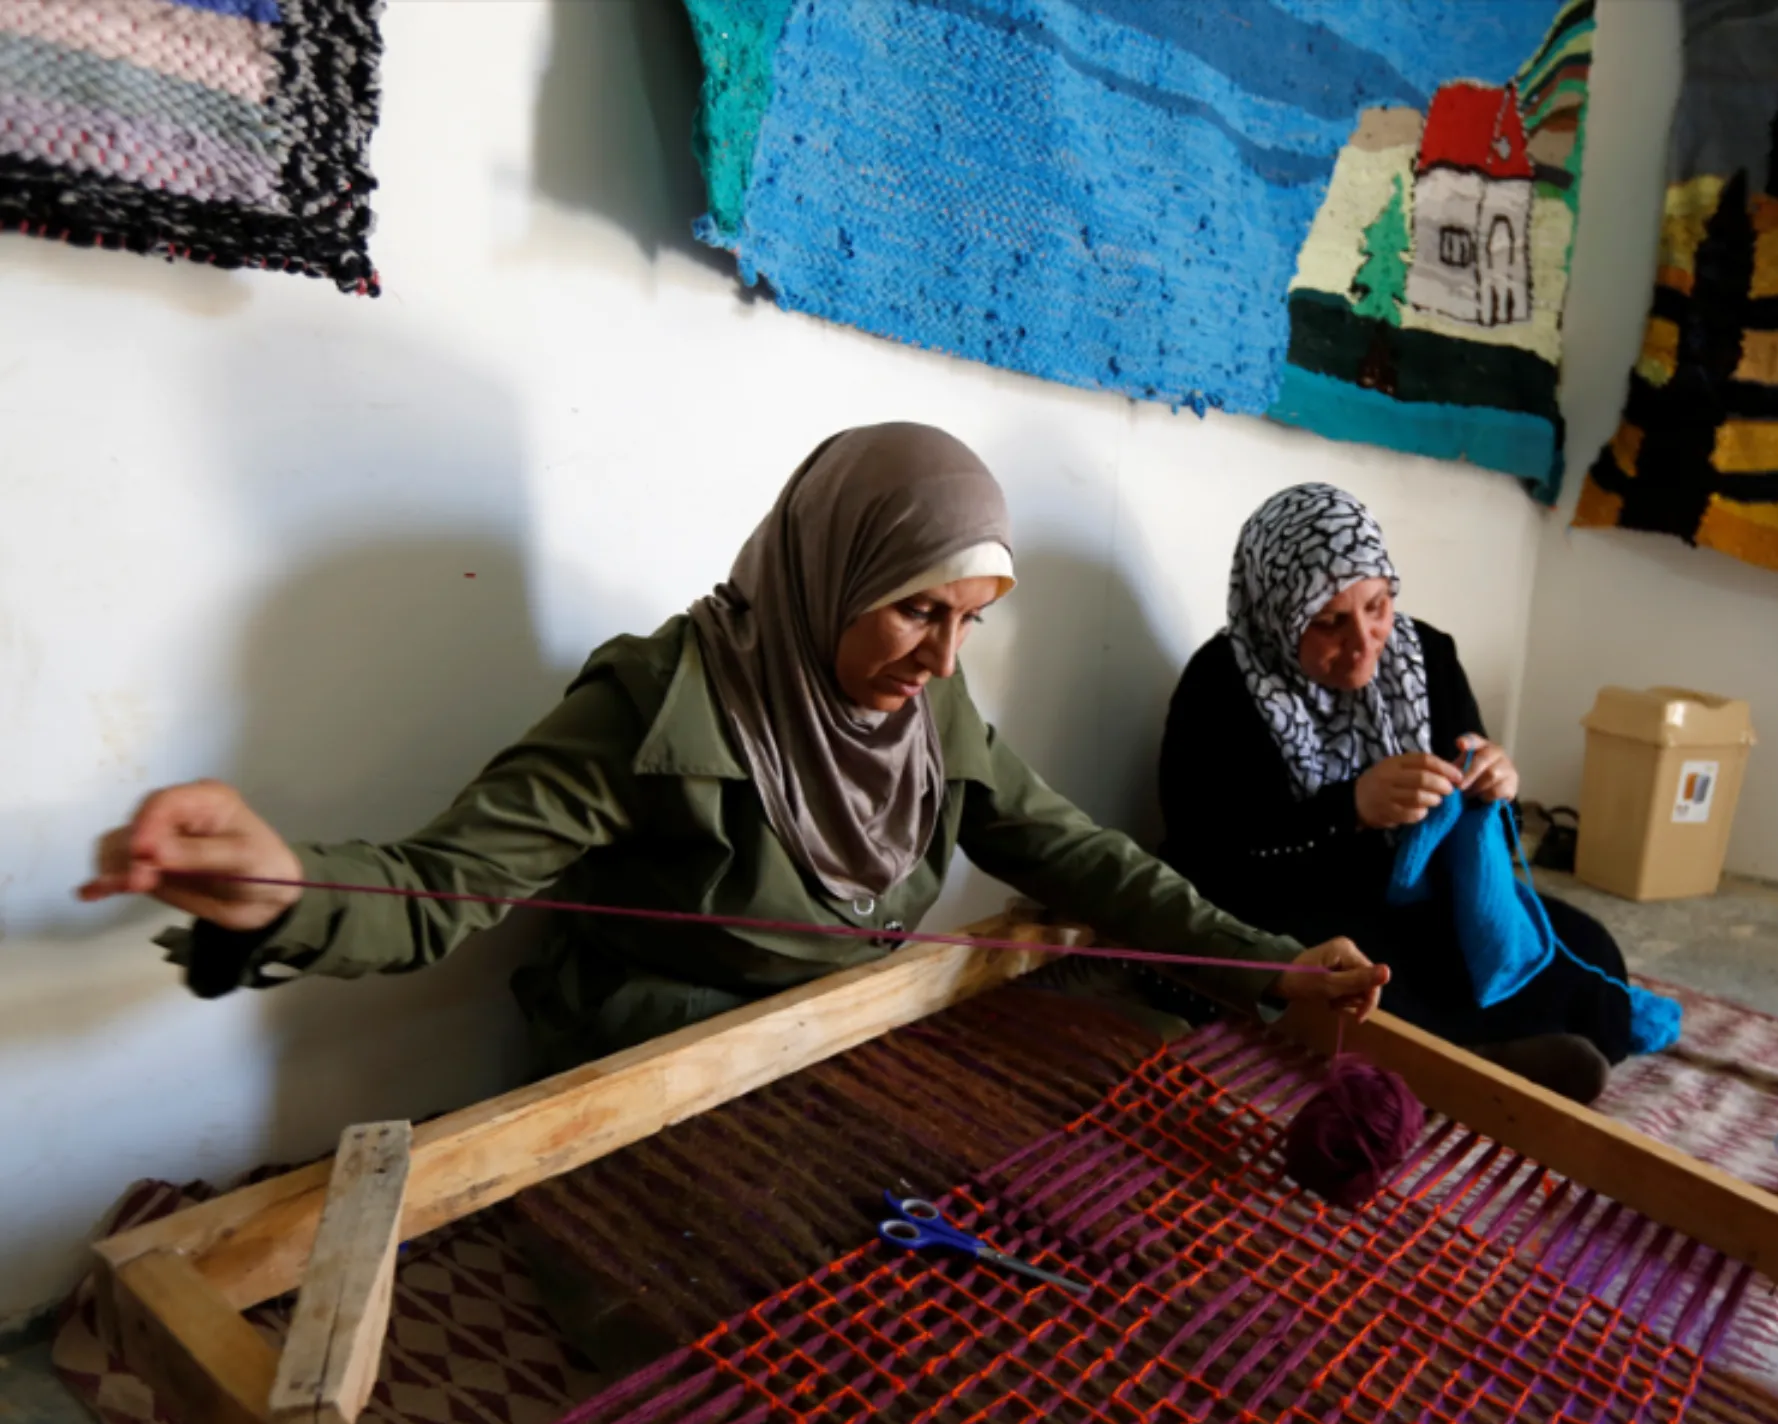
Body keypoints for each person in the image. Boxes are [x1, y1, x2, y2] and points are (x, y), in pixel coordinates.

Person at [80, 426, 1385, 1076]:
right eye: (916, 610)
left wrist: (1273, 970)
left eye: (972, 623)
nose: (942, 659)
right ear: (831, 572)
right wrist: (281, 887)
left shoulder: (931, 714)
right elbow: (436, 887)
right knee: (773, 1347)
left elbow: (1077, 852)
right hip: (657, 1075)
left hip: (825, 1049)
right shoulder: (663, 703)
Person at [1157, 483, 1634, 1100]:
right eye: (1330, 622)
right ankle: (1460, 1070)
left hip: (1415, 896)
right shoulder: (1218, 686)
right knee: (1353, 974)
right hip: (1292, 901)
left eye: (1377, 606)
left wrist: (1497, 784)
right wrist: (1348, 808)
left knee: (1588, 956)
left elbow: (1481, 814)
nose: (1363, 642)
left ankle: (1461, 1060)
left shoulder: (1426, 657)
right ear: (1278, 614)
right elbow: (1202, 855)